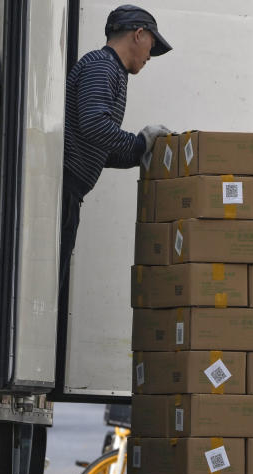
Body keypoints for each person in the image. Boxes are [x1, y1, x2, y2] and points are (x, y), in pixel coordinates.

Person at [56, 5, 172, 392]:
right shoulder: (102, 67)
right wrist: (139, 142)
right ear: (138, 34)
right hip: (63, 191)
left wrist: (142, 153)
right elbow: (92, 126)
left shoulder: (111, 71)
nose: (149, 58)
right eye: (151, 47)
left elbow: (102, 148)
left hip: (70, 192)